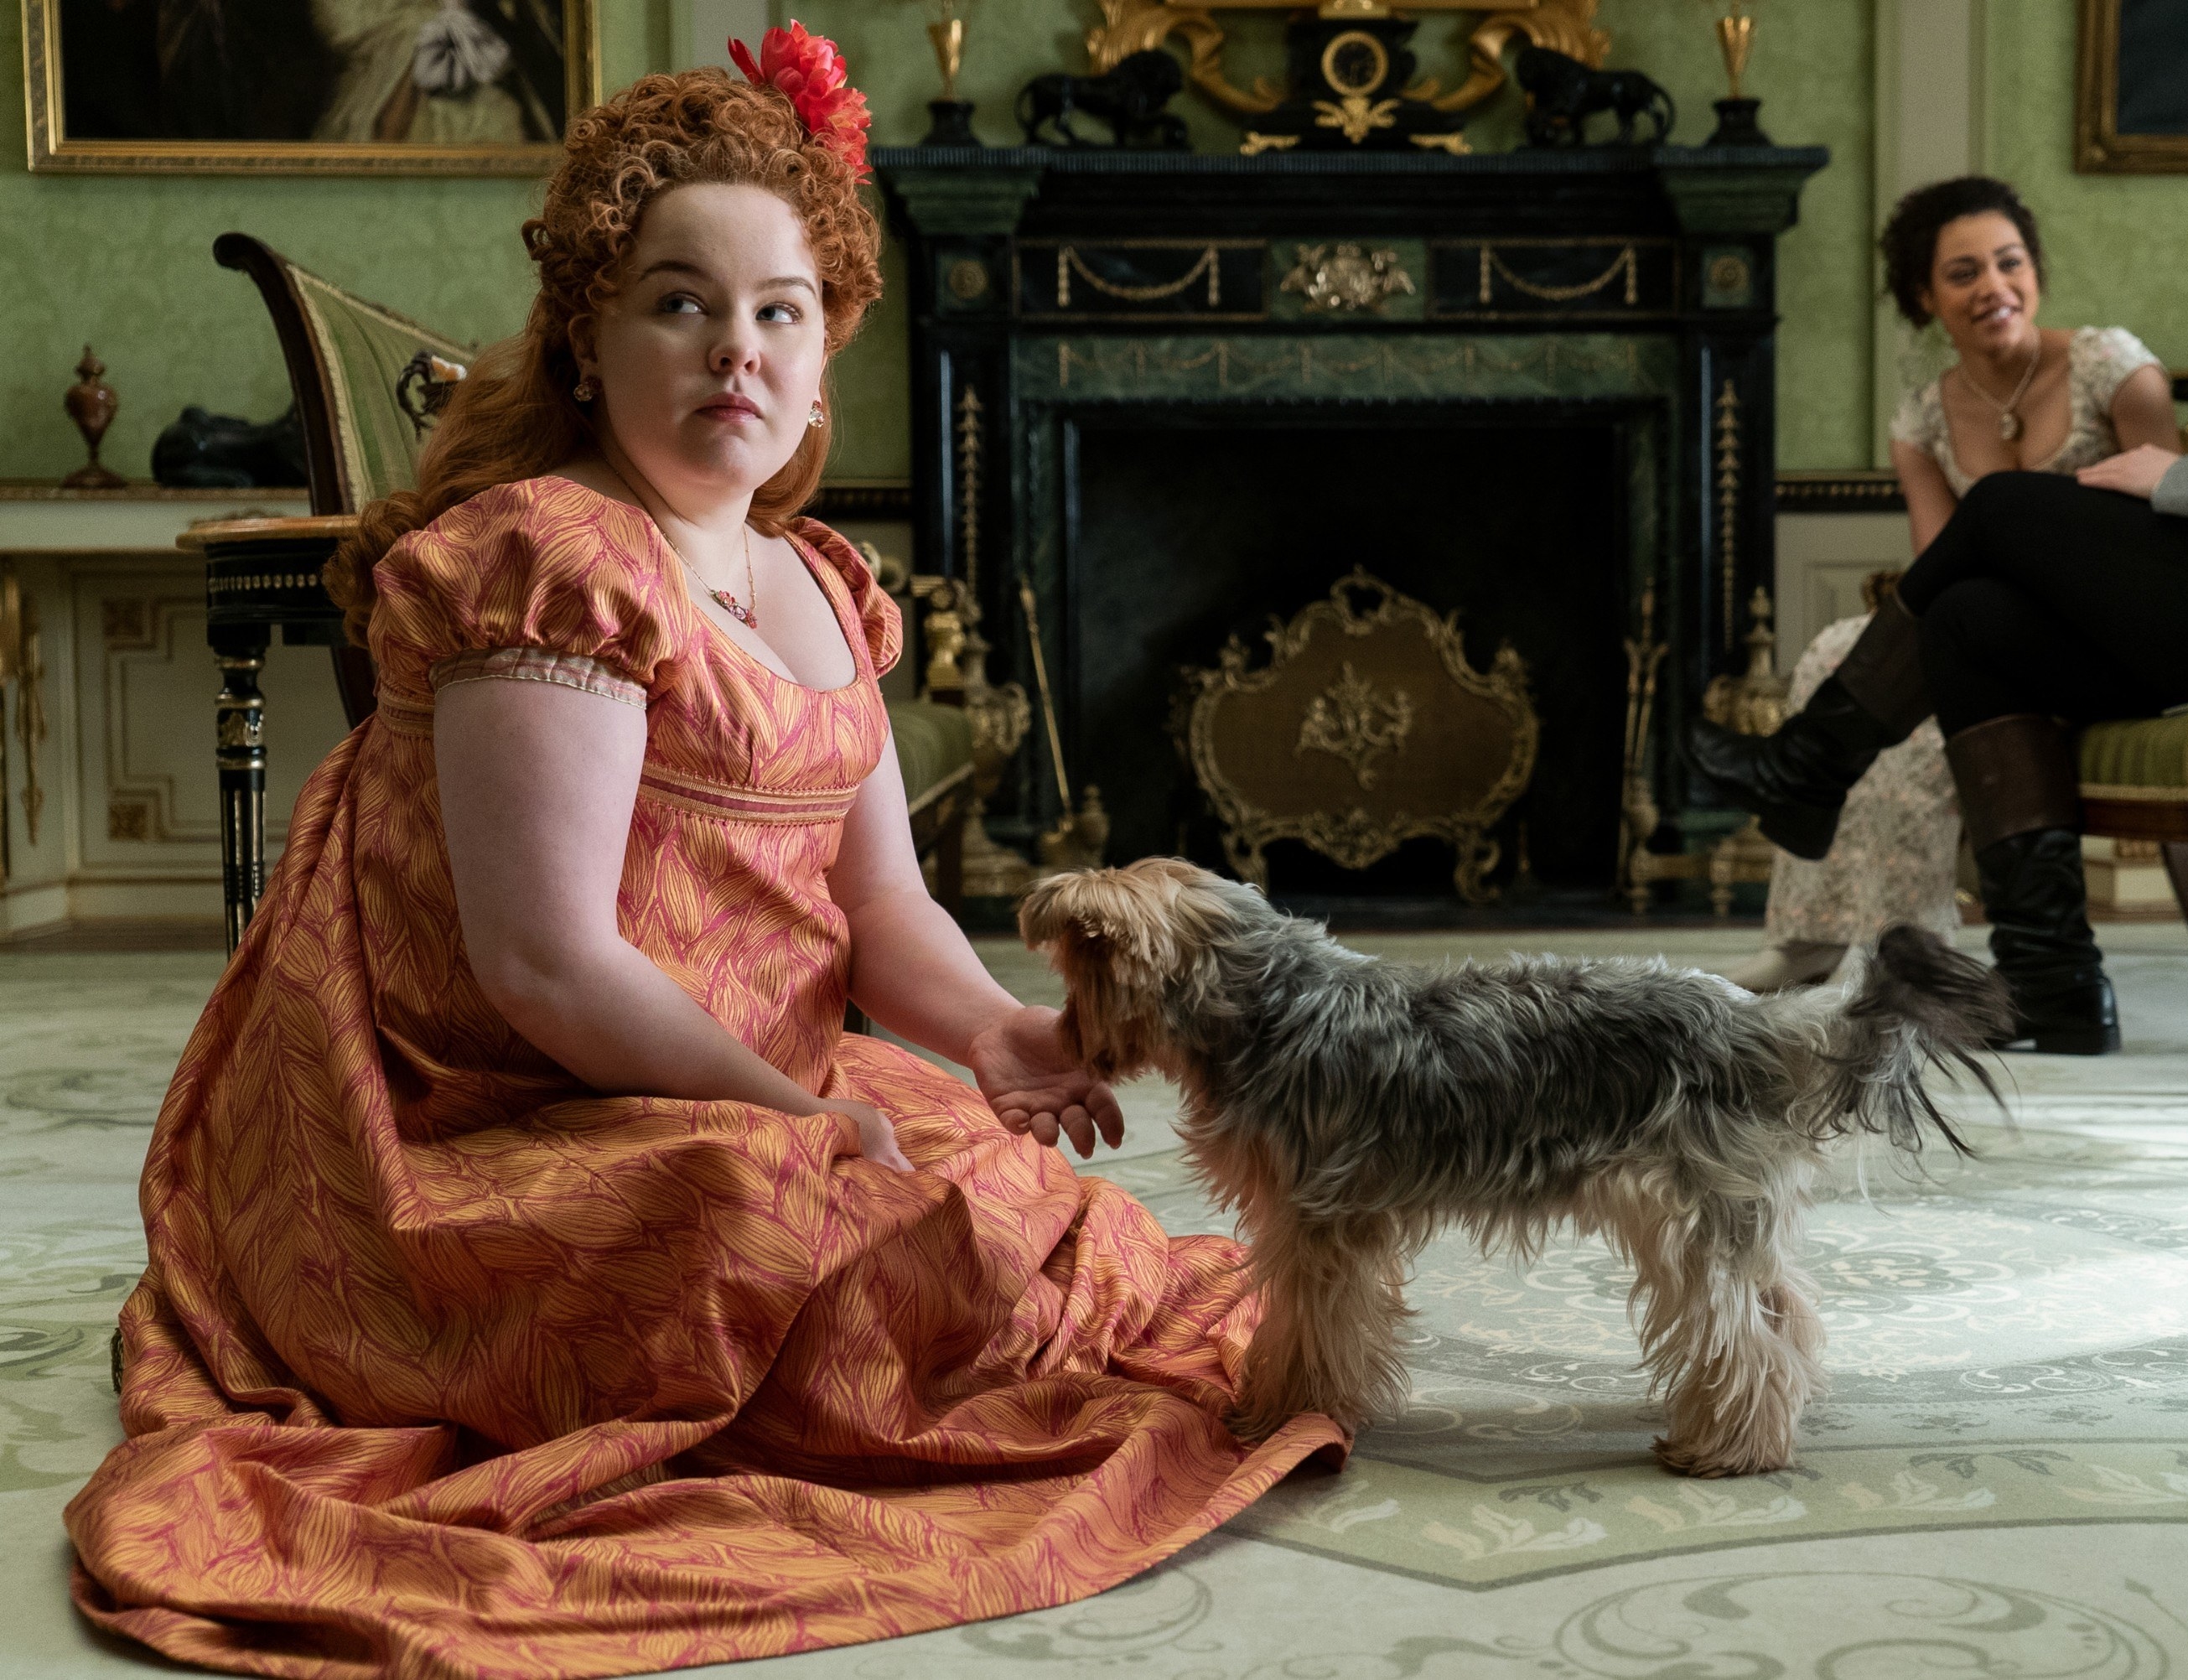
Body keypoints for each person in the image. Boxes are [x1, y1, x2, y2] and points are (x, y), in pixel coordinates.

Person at [65, 39, 1340, 1677]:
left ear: (824, 357)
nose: (735, 349)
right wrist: (796, 1119)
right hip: (502, 1112)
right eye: (679, 303)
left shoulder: (814, 580)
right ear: (590, 341)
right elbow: (542, 965)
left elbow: (882, 899)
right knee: (833, 1239)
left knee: (1026, 1231)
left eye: (779, 311)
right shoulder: (555, 563)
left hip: (738, 1069)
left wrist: (994, 1035)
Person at [1690, 0, 2188, 1053]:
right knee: (1973, 622)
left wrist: (2178, 479)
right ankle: (2052, 984)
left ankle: (1805, 767)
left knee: (2002, 509)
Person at [1729, 179, 2179, 995]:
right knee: (1866, 644)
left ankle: (1880, 901)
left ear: (2036, 270)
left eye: (2009, 264)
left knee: (1989, 546)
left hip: (2119, 634)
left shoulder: (2111, 366)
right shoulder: (1922, 418)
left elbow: (2170, 527)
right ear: (1924, 296)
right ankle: (1825, 937)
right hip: (1997, 637)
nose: (1994, 288)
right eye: (1964, 273)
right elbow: (1942, 569)